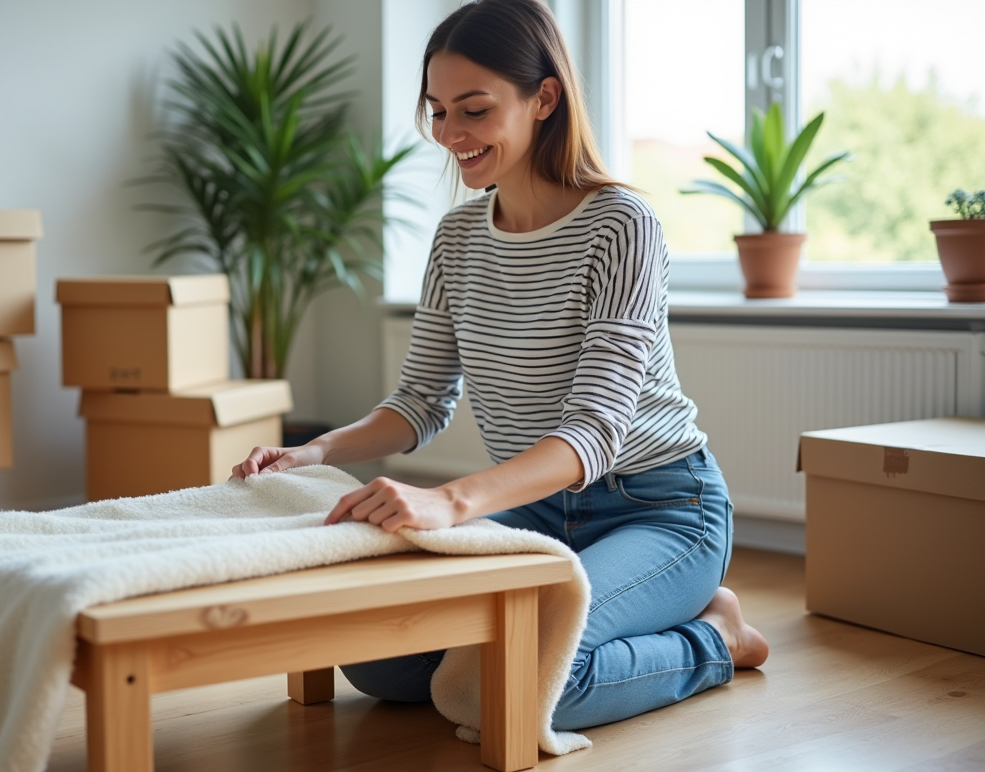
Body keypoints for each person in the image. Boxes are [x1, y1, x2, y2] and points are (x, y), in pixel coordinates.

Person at [232, 0, 768, 731]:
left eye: (474, 110)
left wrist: (449, 501)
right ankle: (601, 625)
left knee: (522, 687)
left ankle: (717, 636)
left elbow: (594, 433)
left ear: (543, 98)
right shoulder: (457, 239)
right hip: (541, 510)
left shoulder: (622, 225)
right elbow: (421, 400)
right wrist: (315, 449)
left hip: (661, 508)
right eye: (438, 110)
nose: (451, 135)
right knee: (380, 661)